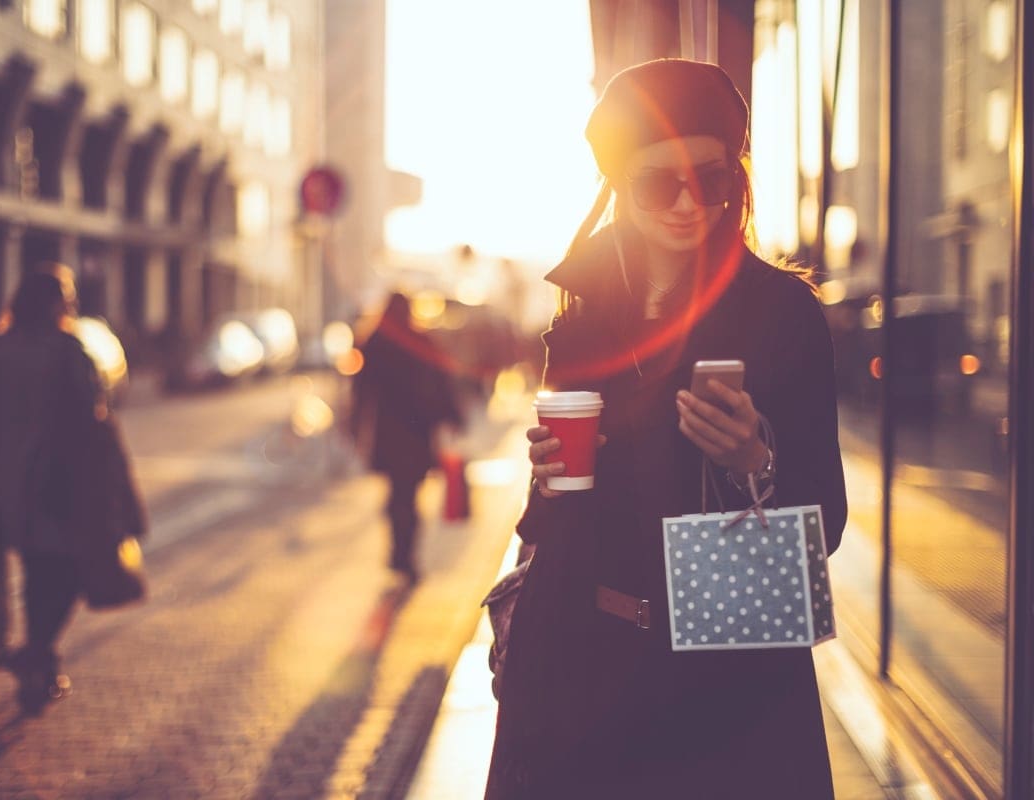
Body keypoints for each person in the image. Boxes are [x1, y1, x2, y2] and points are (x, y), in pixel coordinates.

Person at [484, 59, 848, 798]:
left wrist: (754, 459)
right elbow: (544, 522)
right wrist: (549, 478)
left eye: (711, 180)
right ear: (619, 183)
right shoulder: (583, 312)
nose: (688, 204)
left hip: (732, 682)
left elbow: (828, 520)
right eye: (660, 184)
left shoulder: (782, 313)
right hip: (587, 669)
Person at [0, 262, 145, 714]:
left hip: (9, 486)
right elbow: (92, 420)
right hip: (59, 486)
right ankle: (38, 654)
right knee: (65, 573)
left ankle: (39, 663)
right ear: (52, 304)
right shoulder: (67, 351)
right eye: (66, 299)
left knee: (36, 570)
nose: (71, 306)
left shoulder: (0, 349)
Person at [349, 291, 464, 582]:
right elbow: (440, 383)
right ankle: (405, 555)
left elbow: (360, 392)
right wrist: (452, 417)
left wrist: (354, 426)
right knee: (408, 496)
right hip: (416, 434)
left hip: (387, 434)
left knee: (397, 495)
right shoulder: (419, 341)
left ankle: (398, 553)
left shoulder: (373, 342)